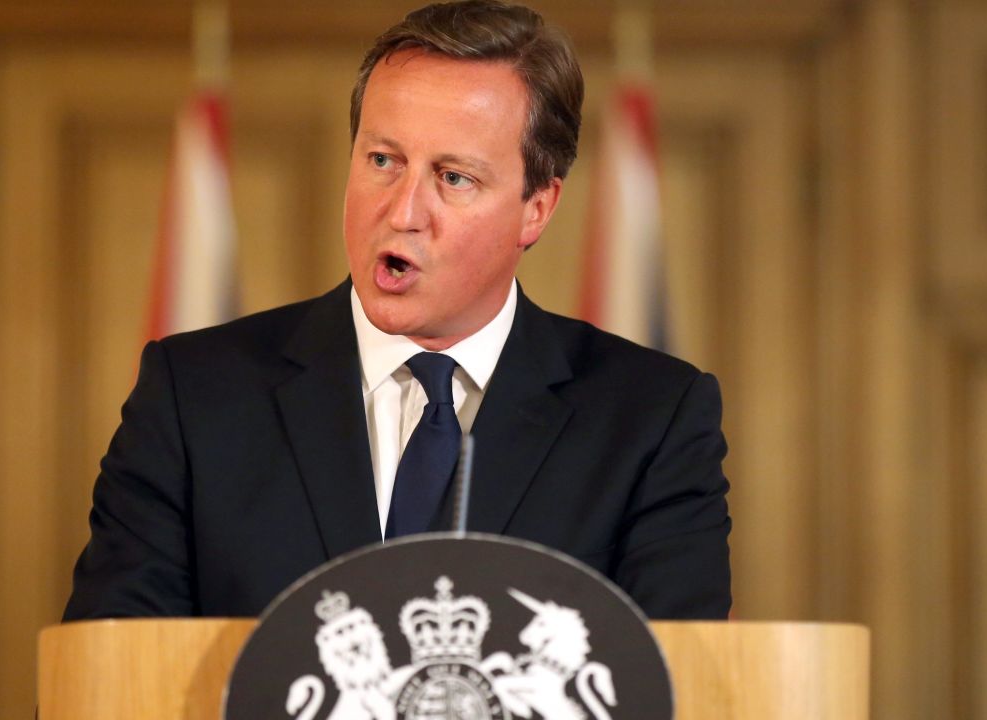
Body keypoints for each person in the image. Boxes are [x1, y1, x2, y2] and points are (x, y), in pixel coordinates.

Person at [63, 0, 730, 622]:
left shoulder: (651, 420)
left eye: (453, 177)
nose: (402, 211)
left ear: (537, 207)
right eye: (383, 160)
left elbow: (672, 688)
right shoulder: (195, 396)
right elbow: (105, 677)